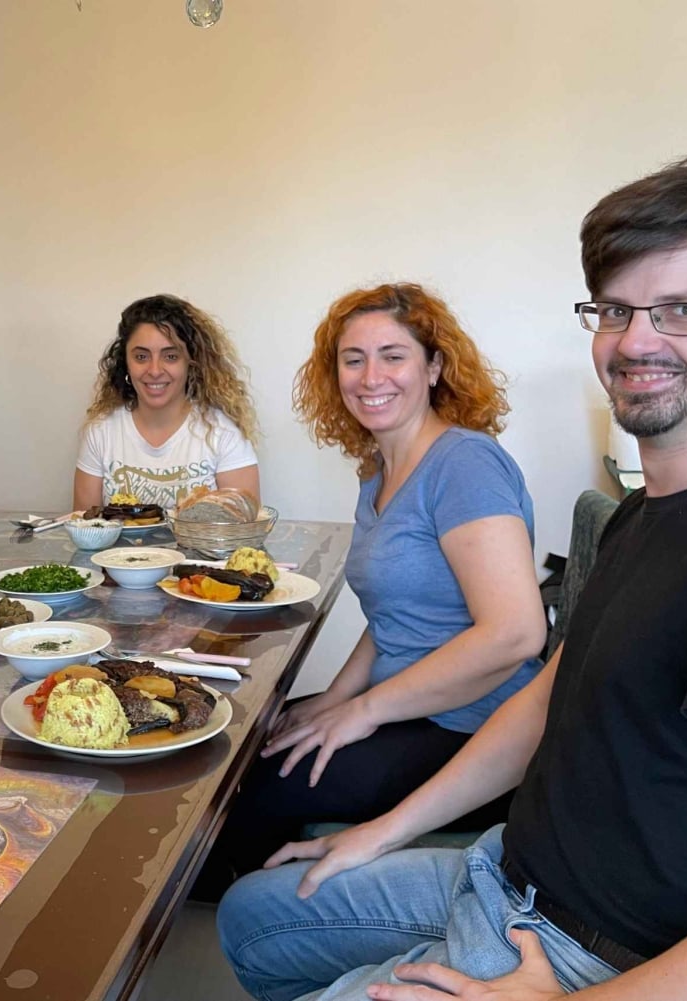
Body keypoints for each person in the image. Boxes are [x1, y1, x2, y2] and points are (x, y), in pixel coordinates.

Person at [218, 151, 687, 1001]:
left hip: (590, 953)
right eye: (616, 308)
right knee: (248, 918)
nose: (637, 339)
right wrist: (384, 830)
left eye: (685, 310)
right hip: (509, 875)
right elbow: (544, 700)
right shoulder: (646, 512)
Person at [196, 284, 545, 899]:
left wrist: (362, 712)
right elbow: (393, 618)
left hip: (474, 726)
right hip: (405, 703)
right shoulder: (379, 473)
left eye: (393, 355)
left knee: (254, 787)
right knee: (245, 729)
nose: (369, 376)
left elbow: (515, 633)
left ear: (434, 367)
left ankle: (253, 912)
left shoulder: (464, 464)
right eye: (352, 359)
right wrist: (335, 698)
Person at [73, 294, 260, 510]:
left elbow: (244, 532)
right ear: (125, 362)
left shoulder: (224, 435)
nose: (154, 371)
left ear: (191, 362)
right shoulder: (101, 432)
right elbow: (85, 528)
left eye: (170, 356)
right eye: (141, 357)